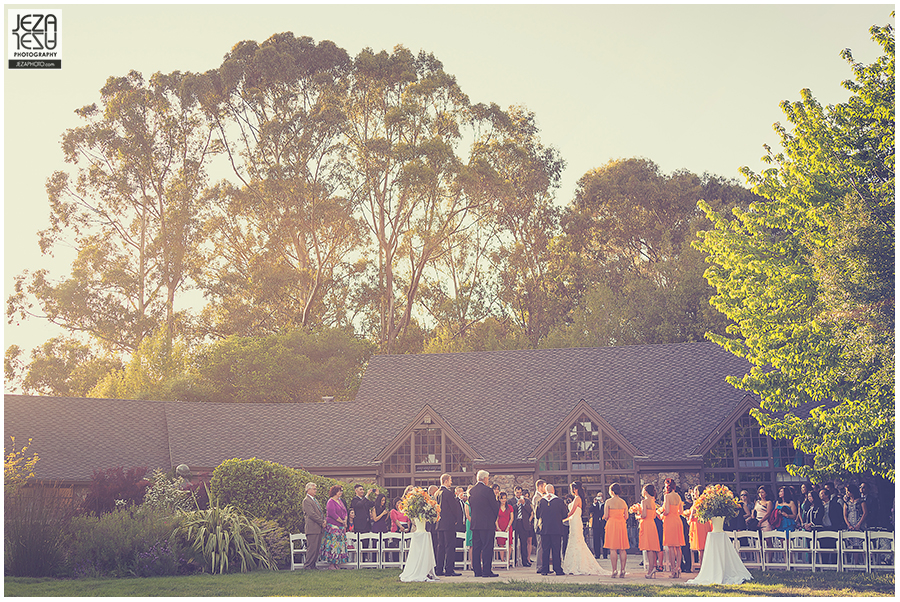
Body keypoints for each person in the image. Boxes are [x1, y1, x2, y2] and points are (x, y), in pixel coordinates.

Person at [560, 481, 603, 575]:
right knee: (574, 542)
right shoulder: (577, 498)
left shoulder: (577, 498)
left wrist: (562, 519)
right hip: (573, 522)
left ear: (575, 489)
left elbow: (571, 512)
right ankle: (575, 564)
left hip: (575, 522)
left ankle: (578, 565)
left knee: (576, 542)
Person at [469, 470, 501, 577]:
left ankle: (477, 571)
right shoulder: (488, 490)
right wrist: (493, 518)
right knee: (487, 547)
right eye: (488, 478)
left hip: (475, 523)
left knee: (476, 547)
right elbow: (495, 507)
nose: (488, 480)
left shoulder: (472, 491)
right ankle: (487, 571)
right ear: (485, 479)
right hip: (487, 524)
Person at [435, 473, 463, 577]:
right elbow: (454, 507)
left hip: (439, 523)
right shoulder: (448, 493)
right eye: (450, 480)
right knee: (450, 546)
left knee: (440, 547)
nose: (451, 482)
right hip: (449, 524)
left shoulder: (437, 493)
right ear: (446, 481)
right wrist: (456, 519)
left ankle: (439, 569)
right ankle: (449, 570)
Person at [536, 484, 566, 576]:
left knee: (545, 549)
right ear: (553, 491)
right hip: (556, 528)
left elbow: (537, 515)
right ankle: (557, 569)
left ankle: (545, 569)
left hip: (544, 528)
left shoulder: (540, 501)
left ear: (546, 491)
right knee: (556, 549)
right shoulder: (559, 501)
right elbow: (564, 514)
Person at [320, 485, 350, 569]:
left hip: (341, 527)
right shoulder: (330, 501)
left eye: (342, 491)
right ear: (335, 492)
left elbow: (345, 511)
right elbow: (332, 514)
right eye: (339, 491)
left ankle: (337, 563)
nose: (341, 492)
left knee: (339, 546)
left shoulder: (340, 501)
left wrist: (345, 520)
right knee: (333, 545)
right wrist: (342, 521)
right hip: (333, 527)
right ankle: (331, 564)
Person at [603, 482, 629, 578]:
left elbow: (606, 516)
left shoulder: (608, 502)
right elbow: (626, 516)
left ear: (612, 491)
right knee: (622, 548)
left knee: (613, 549)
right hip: (621, 524)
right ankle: (623, 569)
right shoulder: (623, 502)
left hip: (612, 524)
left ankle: (614, 570)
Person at [661, 478, 684, 579]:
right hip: (677, 520)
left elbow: (666, 511)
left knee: (670, 547)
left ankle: (673, 569)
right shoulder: (678, 496)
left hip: (669, 520)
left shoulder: (667, 496)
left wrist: (661, 514)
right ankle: (678, 568)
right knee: (678, 546)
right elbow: (681, 512)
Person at [638, 484, 661, 579]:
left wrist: (637, 516)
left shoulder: (644, 502)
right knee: (651, 548)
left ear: (645, 491)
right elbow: (654, 515)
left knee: (648, 548)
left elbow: (643, 515)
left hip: (646, 524)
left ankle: (651, 569)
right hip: (652, 524)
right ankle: (652, 568)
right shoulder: (652, 502)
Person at [687, 485, 712, 570]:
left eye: (694, 491)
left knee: (701, 548)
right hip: (706, 523)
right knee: (706, 547)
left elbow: (692, 514)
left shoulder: (697, 502)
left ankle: (702, 567)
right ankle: (707, 566)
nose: (693, 493)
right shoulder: (706, 501)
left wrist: (688, 520)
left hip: (698, 524)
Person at [302, 482, 325, 570]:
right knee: (312, 548)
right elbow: (311, 514)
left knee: (316, 548)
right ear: (309, 490)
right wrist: (321, 521)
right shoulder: (306, 501)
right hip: (312, 528)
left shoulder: (314, 500)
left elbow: (319, 512)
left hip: (318, 528)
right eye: (314, 489)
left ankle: (313, 565)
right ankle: (307, 566)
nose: (316, 491)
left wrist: (324, 520)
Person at [512, 488, 534, 567]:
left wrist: (524, 504)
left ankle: (525, 561)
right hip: (515, 523)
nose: (519, 494)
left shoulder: (527, 501)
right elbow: (511, 510)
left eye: (520, 493)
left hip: (523, 523)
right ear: (514, 492)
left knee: (524, 542)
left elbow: (530, 511)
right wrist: (517, 505)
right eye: (517, 493)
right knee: (514, 543)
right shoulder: (511, 501)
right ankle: (514, 561)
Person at [532, 480, 547, 573]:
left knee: (544, 545)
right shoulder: (537, 497)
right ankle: (539, 566)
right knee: (540, 546)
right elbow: (539, 511)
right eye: (544, 486)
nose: (545, 488)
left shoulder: (541, 496)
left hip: (543, 524)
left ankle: (544, 565)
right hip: (538, 524)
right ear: (540, 487)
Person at [496, 492, 514, 562]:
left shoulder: (510, 507)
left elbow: (511, 518)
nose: (504, 500)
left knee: (509, 544)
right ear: (499, 499)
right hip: (500, 527)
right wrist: (498, 528)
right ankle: (502, 560)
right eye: (502, 498)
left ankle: (508, 560)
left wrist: (508, 527)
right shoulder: (497, 507)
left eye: (505, 498)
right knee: (501, 544)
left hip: (508, 527)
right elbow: (496, 519)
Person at [590, 490, 607, 560]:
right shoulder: (594, 504)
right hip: (596, 524)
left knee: (604, 540)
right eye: (598, 496)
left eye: (600, 496)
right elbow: (590, 511)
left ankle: (605, 555)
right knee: (596, 540)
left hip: (603, 524)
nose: (599, 497)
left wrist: (603, 503)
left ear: (602, 497)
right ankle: (597, 554)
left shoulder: (605, 504)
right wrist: (594, 503)